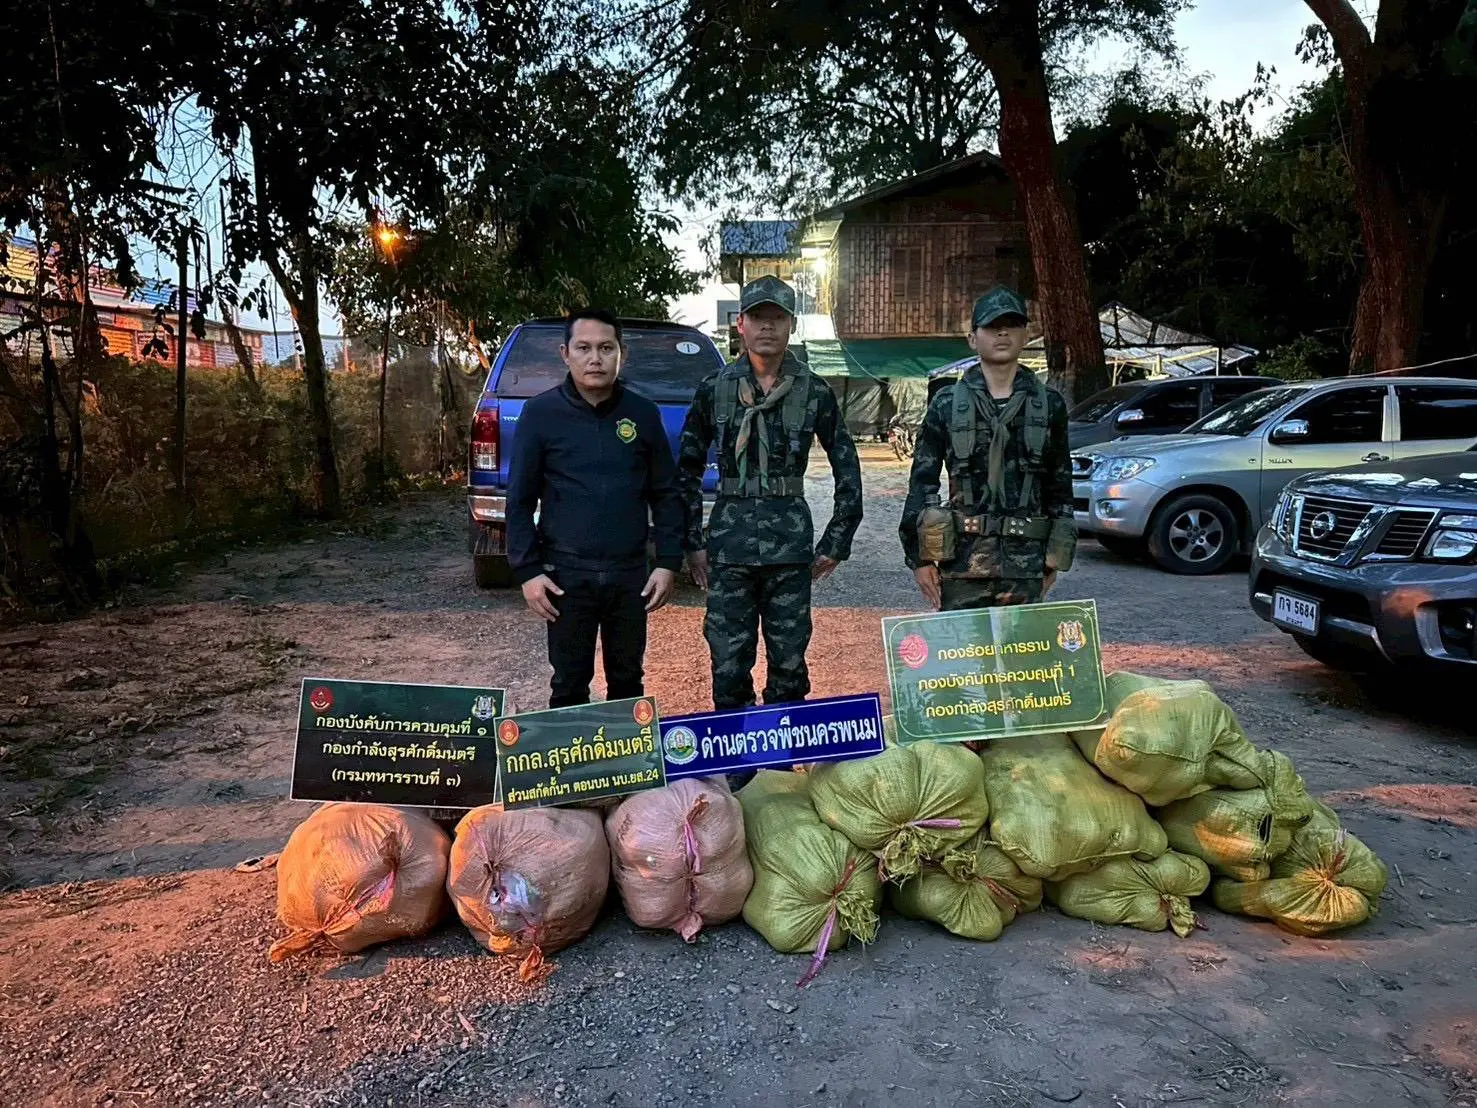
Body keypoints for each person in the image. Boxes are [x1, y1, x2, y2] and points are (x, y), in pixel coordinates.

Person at [677, 275, 863, 716]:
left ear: (791, 325)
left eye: (777, 318)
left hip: (789, 548)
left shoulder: (814, 390)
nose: (767, 326)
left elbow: (847, 467)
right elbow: (685, 471)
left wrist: (836, 541)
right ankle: (736, 750)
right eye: (757, 317)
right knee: (728, 665)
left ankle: (784, 752)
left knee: (789, 666)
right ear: (740, 324)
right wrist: (693, 542)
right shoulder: (714, 389)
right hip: (729, 547)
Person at [506, 308, 683, 708]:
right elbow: (519, 500)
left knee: (628, 681)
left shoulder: (642, 413)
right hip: (565, 575)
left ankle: (625, 752)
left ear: (622, 354)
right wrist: (528, 571)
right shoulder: (540, 414)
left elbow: (665, 492)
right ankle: (569, 752)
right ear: (565, 353)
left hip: (629, 575)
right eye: (583, 348)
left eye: (606, 348)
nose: (595, 358)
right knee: (568, 684)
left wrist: (667, 562)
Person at [899, 285, 1077, 612]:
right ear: (973, 338)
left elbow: (1060, 483)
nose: (1002, 333)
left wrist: (1057, 554)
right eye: (992, 326)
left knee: (1022, 646)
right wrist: (918, 559)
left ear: (1026, 335)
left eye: (1012, 325)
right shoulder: (947, 403)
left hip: (1026, 563)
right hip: (961, 563)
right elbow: (922, 482)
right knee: (963, 645)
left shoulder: (1048, 405)